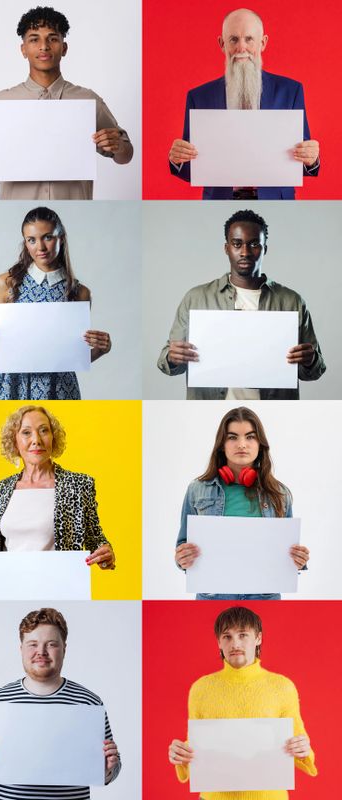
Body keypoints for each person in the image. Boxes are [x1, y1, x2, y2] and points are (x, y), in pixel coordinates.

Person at [0, 5, 133, 200]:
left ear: (64, 47)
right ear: (23, 49)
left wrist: (120, 146)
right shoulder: (0, 104)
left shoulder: (88, 100)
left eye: (52, 38)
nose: (44, 46)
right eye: (34, 39)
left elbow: (125, 155)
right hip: (17, 208)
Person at [157, 209, 325, 400]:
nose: (245, 252)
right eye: (237, 244)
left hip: (274, 411)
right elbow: (166, 362)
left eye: (254, 244)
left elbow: (315, 371)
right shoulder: (196, 298)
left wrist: (311, 360)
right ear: (226, 248)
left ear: (265, 249)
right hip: (208, 411)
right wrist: (172, 357)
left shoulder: (291, 301)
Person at [0, 607, 121, 799]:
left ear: (64, 648)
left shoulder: (89, 702)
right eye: (32, 644)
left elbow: (111, 770)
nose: (41, 652)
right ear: (21, 649)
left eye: (51, 644)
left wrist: (106, 769)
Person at [168, 7, 319, 200]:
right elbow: (193, 169)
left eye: (249, 39)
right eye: (233, 39)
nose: (241, 48)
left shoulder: (290, 90)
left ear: (263, 43)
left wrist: (311, 159)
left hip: (276, 202)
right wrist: (177, 160)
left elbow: (302, 163)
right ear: (222, 44)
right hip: (220, 202)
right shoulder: (199, 96)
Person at [168, 606, 316, 799]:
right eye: (227, 637)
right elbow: (198, 744)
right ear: (219, 643)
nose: (234, 643)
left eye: (243, 635)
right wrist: (180, 754)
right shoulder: (200, 688)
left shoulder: (282, 687)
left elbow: (299, 742)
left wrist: (304, 749)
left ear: (258, 638)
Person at [0, 206, 111, 399]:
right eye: (31, 240)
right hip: (12, 383)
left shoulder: (79, 292)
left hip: (58, 386)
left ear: (61, 238)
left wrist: (102, 349)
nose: (40, 248)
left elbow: (73, 356)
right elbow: (2, 350)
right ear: (25, 242)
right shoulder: (6, 283)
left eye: (48, 237)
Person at [175, 406, 309, 601]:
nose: (242, 444)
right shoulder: (197, 489)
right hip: (213, 596)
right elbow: (182, 544)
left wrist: (298, 560)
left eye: (250, 437)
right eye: (232, 437)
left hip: (264, 596)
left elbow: (286, 552)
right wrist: (182, 559)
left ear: (260, 444)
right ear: (222, 444)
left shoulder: (280, 493)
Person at [0, 405, 115, 571]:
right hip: (10, 589)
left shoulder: (78, 485)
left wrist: (105, 555)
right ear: (15, 441)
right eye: (26, 432)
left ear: (53, 437)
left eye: (43, 430)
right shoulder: (2, 489)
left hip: (59, 589)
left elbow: (95, 539)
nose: (36, 440)